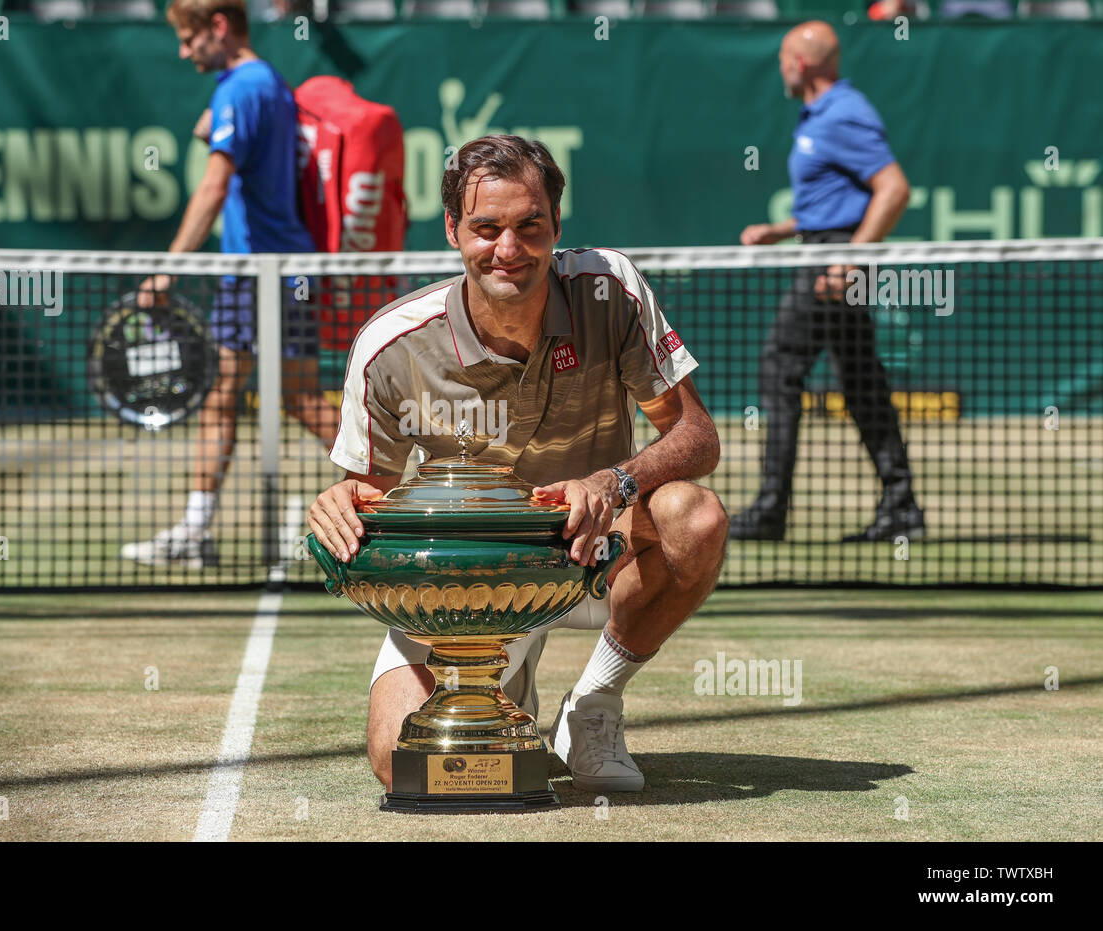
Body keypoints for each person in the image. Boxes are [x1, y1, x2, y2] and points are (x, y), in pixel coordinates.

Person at [308, 135, 729, 793]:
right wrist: (340, 502)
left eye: (530, 226)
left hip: (590, 558)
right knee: (406, 766)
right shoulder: (390, 347)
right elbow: (372, 497)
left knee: (693, 516)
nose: (509, 249)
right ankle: (503, 696)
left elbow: (697, 436)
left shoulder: (609, 290)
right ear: (452, 229)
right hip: (467, 582)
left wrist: (611, 481)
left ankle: (593, 706)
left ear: (556, 225)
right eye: (486, 228)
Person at [123, 0, 339, 568]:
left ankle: (390, 499)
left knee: (291, 398)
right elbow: (225, 141)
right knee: (226, 399)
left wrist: (169, 268)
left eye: (189, 39)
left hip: (260, 272)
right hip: (270, 272)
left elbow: (214, 187)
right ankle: (196, 530)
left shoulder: (242, 89)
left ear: (219, 28)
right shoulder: (261, 82)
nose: (182, 51)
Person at [732, 20, 923, 544]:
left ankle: (771, 509)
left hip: (834, 262)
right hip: (825, 249)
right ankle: (901, 503)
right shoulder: (819, 115)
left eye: (782, 59)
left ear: (801, 63)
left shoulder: (844, 112)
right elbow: (840, 197)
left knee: (780, 365)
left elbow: (893, 189)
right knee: (861, 380)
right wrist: (783, 229)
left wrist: (850, 260)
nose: (779, 69)